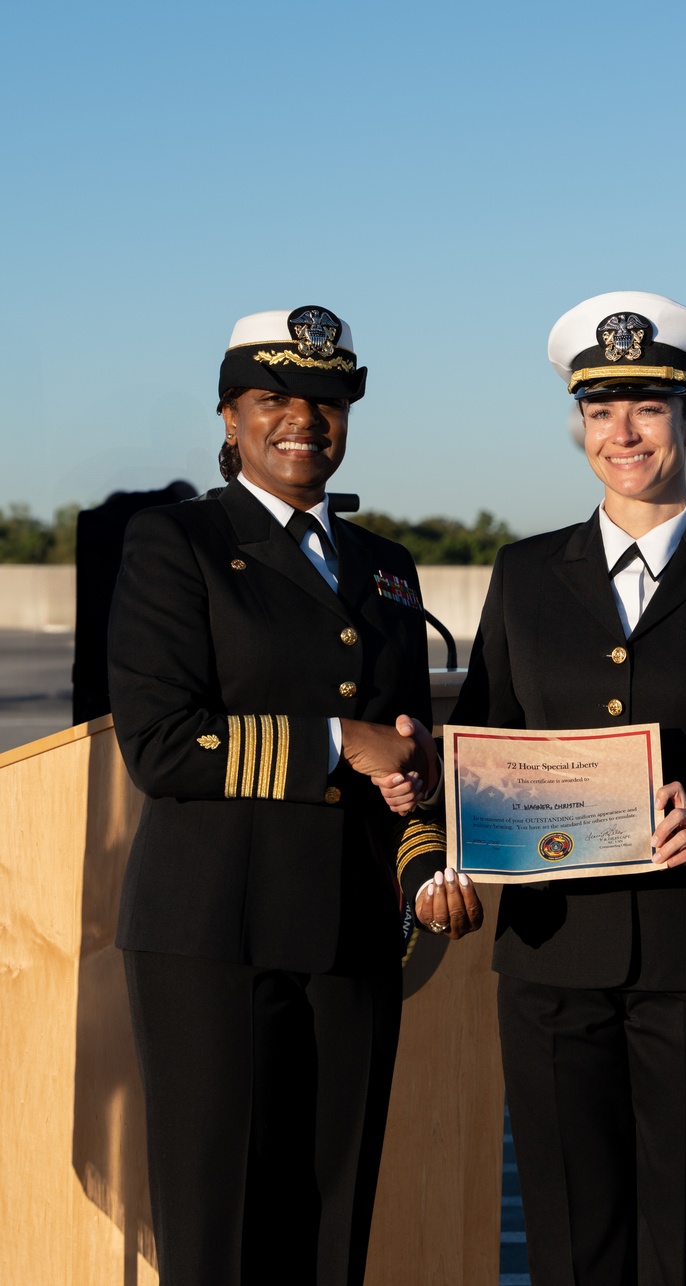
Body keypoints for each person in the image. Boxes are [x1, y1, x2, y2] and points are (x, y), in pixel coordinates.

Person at [427, 292, 686, 1286]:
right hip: (551, 958)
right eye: (602, 409)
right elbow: (487, 739)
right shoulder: (525, 575)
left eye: (649, 408)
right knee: (569, 1236)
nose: (623, 432)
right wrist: (451, 845)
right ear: (580, 428)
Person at [108, 304, 481, 1286]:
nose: (302, 419)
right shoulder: (175, 541)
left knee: (331, 1214)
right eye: (273, 398)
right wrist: (334, 740)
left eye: (324, 401)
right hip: (213, 933)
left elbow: (401, 751)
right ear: (229, 416)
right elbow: (159, 743)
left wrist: (423, 834)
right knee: (220, 1222)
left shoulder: (385, 568)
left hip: (353, 927)